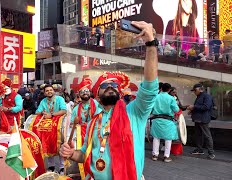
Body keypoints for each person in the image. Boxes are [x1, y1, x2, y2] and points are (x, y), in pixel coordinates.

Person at [60, 21, 159, 180]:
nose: (111, 86)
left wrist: (151, 45)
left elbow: (150, 87)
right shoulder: (93, 123)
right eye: (105, 85)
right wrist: (72, 153)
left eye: (114, 85)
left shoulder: (134, 112)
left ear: (119, 92)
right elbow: (84, 154)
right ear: (97, 95)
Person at [35, 84, 67, 174]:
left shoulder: (60, 99)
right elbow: (37, 112)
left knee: (60, 145)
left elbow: (64, 110)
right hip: (48, 127)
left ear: (54, 91)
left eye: (50, 90)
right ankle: (51, 166)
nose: (49, 92)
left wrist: (51, 115)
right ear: (44, 93)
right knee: (48, 143)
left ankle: (61, 167)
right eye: (47, 91)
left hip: (59, 125)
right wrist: (42, 112)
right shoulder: (43, 101)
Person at [150, 83, 180, 162]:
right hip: (168, 121)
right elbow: (176, 110)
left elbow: (150, 108)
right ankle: (166, 156)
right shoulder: (171, 98)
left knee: (156, 137)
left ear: (161, 88)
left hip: (156, 120)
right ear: (169, 90)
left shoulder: (155, 97)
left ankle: (155, 155)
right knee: (168, 138)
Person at [187, 83, 215, 159]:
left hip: (203, 119)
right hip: (198, 119)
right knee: (198, 135)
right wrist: (192, 110)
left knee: (207, 136)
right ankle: (199, 150)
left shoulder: (206, 96)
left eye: (195, 90)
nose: (194, 92)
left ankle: (211, 153)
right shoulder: (199, 96)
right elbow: (199, 107)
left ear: (200, 89)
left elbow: (206, 107)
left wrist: (194, 106)